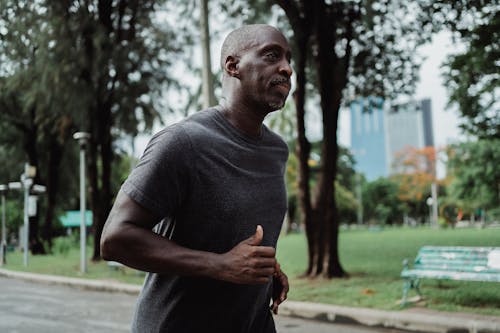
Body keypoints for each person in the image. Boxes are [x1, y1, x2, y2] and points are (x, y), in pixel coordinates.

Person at [101, 24, 293, 333]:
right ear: (233, 66)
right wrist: (221, 265)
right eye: (271, 55)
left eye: (288, 58)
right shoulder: (182, 142)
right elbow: (115, 239)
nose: (286, 68)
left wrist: (263, 268)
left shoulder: (276, 150)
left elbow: (230, 233)